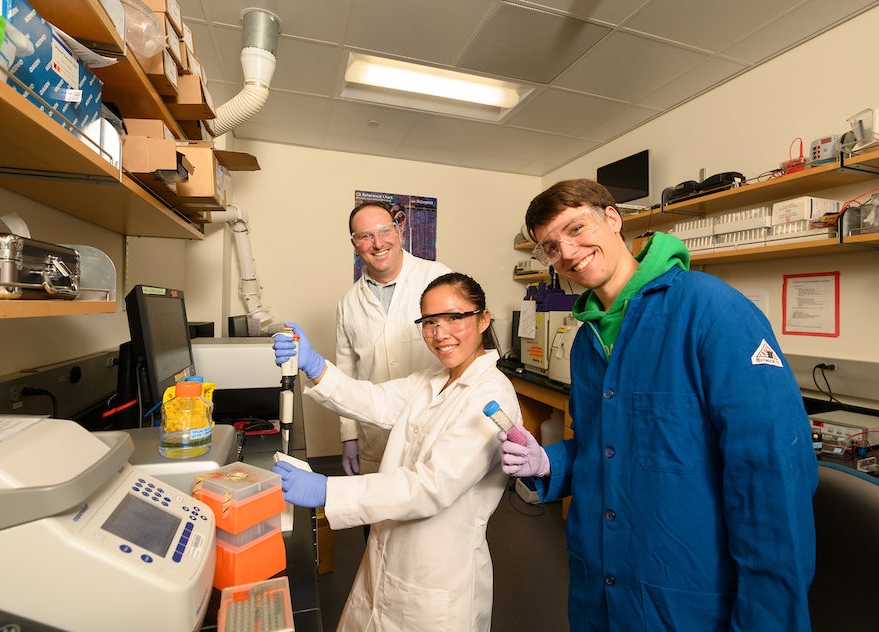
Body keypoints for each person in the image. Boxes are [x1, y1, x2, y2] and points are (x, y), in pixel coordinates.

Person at [499, 179, 818, 631]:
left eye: (576, 228)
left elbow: (772, 482)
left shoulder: (711, 310)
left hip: (686, 594)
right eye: (551, 247)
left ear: (613, 218)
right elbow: (609, 448)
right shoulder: (587, 338)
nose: (567, 252)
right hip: (601, 590)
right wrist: (548, 461)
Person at [273, 272, 520, 632]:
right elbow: (374, 400)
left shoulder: (491, 396)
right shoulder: (432, 379)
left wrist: (329, 491)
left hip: (438, 574)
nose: (440, 333)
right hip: (387, 556)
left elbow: (430, 487)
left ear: (483, 319)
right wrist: (316, 366)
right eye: (430, 322)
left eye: (455, 318)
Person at [337, 201, 451, 478]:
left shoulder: (437, 277)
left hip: (435, 424)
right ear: (355, 244)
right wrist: (348, 435)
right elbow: (346, 375)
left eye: (385, 231)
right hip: (376, 433)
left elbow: (465, 349)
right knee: (379, 515)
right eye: (365, 236)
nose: (378, 243)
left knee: (432, 508)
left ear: (399, 231)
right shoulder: (348, 303)